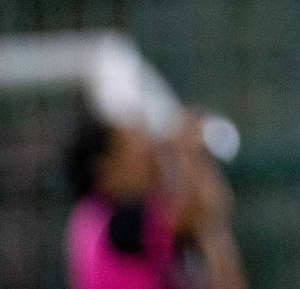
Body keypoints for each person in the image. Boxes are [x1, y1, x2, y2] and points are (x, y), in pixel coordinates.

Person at [64, 111, 245, 289]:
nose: (149, 149)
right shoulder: (119, 223)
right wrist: (187, 151)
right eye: (136, 142)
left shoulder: (88, 218)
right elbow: (201, 209)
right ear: (105, 169)